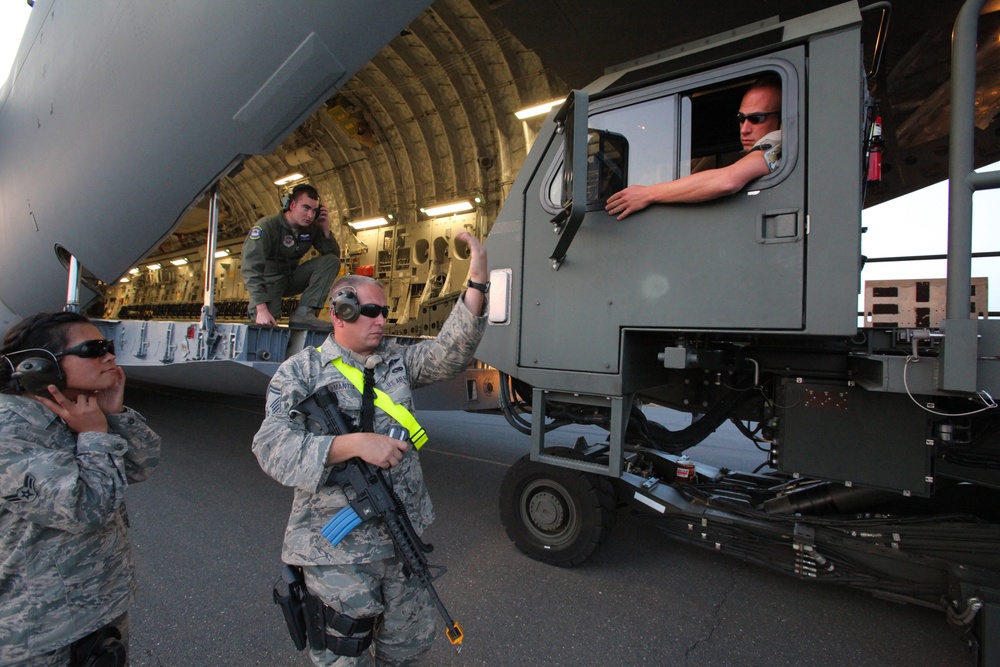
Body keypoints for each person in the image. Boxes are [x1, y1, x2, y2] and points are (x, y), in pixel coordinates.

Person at [253, 231, 488, 666]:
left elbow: (449, 354)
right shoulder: (301, 373)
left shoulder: (396, 360)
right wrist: (351, 445)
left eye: (385, 311)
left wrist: (475, 283)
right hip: (335, 553)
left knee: (407, 651)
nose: (382, 320)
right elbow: (271, 448)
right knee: (345, 657)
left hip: (401, 541)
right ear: (340, 313)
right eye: (371, 312)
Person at [0, 312, 161, 666]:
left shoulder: (75, 410)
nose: (109, 357)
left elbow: (142, 464)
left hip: (99, 611)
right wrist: (94, 435)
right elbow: (86, 507)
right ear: (39, 365)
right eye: (93, 349)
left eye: (109, 346)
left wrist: (113, 415)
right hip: (42, 633)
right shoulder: (10, 431)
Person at [605, 74, 783, 219]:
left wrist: (647, 194)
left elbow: (727, 181)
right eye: (741, 118)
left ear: (781, 118)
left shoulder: (778, 139)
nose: (744, 129)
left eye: (756, 119)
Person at [242, 182, 342, 330]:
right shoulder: (267, 226)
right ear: (292, 205)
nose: (310, 215)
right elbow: (250, 269)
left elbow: (333, 257)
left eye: (314, 211)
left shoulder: (311, 228)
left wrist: (325, 228)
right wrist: (261, 309)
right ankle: (261, 311)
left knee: (331, 261)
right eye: (306, 208)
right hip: (269, 283)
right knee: (266, 326)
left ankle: (304, 314)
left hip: (292, 278)